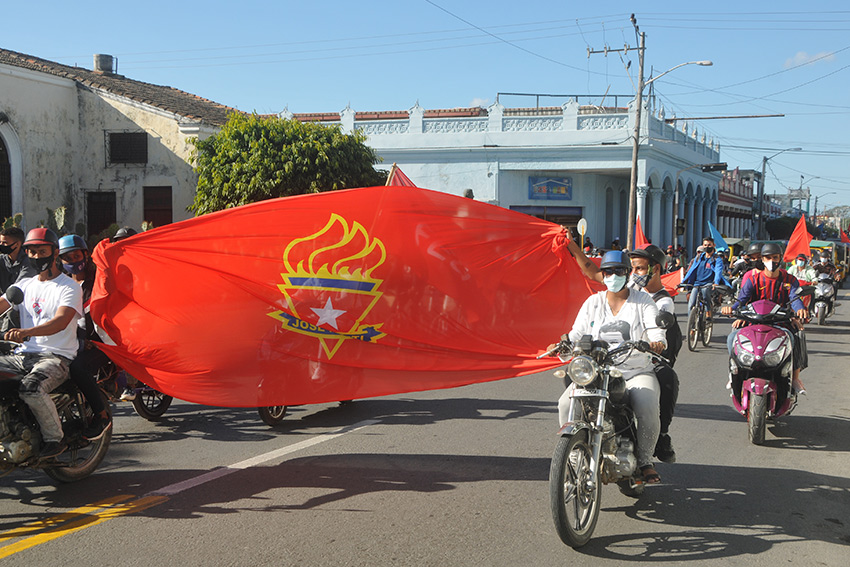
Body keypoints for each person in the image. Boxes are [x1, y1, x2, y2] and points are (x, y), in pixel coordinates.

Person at [557, 249, 667, 483]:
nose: (612, 275)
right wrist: (563, 343)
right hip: (597, 371)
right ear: (603, 274)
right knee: (565, 403)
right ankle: (573, 455)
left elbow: (655, 327)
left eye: (618, 271)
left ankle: (645, 459)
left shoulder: (643, 301)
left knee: (647, 406)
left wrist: (657, 341)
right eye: (608, 271)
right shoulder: (592, 302)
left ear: (627, 273)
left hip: (635, 371)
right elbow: (577, 333)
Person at [0, 228, 83, 458]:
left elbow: (60, 321)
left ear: (55, 252)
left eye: (42, 251)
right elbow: (1, 304)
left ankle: (55, 439)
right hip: (24, 354)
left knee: (31, 388)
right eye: (32, 252)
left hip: (56, 357)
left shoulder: (70, 287)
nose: (37, 257)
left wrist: (26, 331)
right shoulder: (24, 285)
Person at [721, 242, 809, 395]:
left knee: (796, 336)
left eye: (775, 257)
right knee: (733, 337)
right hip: (753, 322)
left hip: (780, 323)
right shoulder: (753, 279)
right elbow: (741, 300)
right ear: (762, 259)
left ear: (780, 258)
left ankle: (795, 378)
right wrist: (732, 309)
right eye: (768, 258)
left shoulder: (789, 280)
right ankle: (734, 372)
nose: (771, 261)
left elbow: (795, 298)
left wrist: (800, 310)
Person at [628, 244, 683, 463]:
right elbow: (595, 274)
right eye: (633, 268)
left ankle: (661, 434)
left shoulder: (663, 300)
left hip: (650, 355)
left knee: (667, 376)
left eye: (640, 268)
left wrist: (655, 342)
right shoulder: (628, 287)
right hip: (623, 354)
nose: (635, 274)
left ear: (656, 269)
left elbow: (661, 321)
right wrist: (572, 247)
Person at [58, 235, 112, 440]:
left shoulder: (99, 281)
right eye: (67, 258)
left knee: (77, 368)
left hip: (101, 344)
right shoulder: (60, 285)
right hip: (70, 343)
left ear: (85, 255)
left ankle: (101, 416)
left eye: (76, 255)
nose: (73, 261)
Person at [0, 227, 37, 333]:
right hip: (4, 302)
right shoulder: (2, 260)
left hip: (21, 303)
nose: (2, 246)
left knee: (11, 311)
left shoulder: (28, 262)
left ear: (17, 244)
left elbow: (18, 288)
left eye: (5, 243)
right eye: (0, 242)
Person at [682, 237, 729, 317]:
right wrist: (683, 282)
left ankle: (708, 311)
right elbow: (691, 270)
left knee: (705, 293)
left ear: (714, 245)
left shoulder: (716, 259)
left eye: (709, 245)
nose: (707, 247)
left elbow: (718, 271)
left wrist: (716, 283)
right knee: (691, 303)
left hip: (708, 284)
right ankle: (691, 326)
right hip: (697, 284)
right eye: (705, 245)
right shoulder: (699, 257)